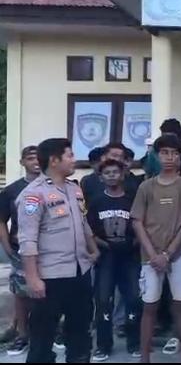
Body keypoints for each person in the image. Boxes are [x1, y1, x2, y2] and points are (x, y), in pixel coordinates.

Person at [17, 138, 100, 363]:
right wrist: (32, 279)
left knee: (80, 334)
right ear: (54, 161)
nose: (74, 160)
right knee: (42, 339)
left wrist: (93, 250)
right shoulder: (33, 195)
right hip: (50, 277)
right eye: (69, 155)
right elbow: (27, 239)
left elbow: (83, 222)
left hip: (79, 273)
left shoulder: (74, 189)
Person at [131, 134, 181, 363]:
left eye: (174, 153)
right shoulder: (146, 186)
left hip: (179, 253)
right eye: (164, 153)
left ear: (180, 157)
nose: (169, 157)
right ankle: (144, 357)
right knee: (149, 306)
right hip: (149, 256)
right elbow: (137, 222)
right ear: (156, 155)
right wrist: (154, 255)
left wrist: (168, 254)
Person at [87, 159, 140, 361]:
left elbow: (142, 224)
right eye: (107, 173)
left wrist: (134, 242)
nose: (111, 175)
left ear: (122, 174)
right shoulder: (96, 201)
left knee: (133, 298)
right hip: (106, 257)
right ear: (101, 177)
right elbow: (88, 230)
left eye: (115, 172)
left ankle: (134, 342)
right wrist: (102, 244)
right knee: (103, 300)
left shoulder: (132, 199)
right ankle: (103, 345)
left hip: (130, 256)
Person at [0, 146, 41, 356]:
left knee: (51, 293)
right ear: (22, 162)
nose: (35, 162)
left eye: (38, 157)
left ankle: (50, 333)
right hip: (21, 250)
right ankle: (22, 335)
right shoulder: (11, 190)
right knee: (21, 294)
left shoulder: (52, 186)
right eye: (30, 158)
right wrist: (7, 247)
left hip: (49, 250)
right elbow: (1, 220)